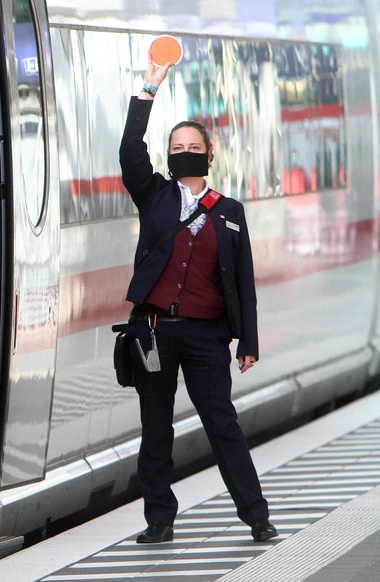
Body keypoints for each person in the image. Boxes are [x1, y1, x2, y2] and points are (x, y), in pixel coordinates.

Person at [119, 53, 276, 544]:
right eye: (176, 146)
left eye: (193, 147)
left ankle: (256, 516)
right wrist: (148, 89)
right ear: (167, 156)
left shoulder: (229, 212)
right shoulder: (154, 196)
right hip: (156, 332)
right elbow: (129, 151)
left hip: (209, 336)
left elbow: (243, 281)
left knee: (222, 424)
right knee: (156, 430)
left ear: (211, 155)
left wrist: (247, 341)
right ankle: (159, 521)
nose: (184, 152)